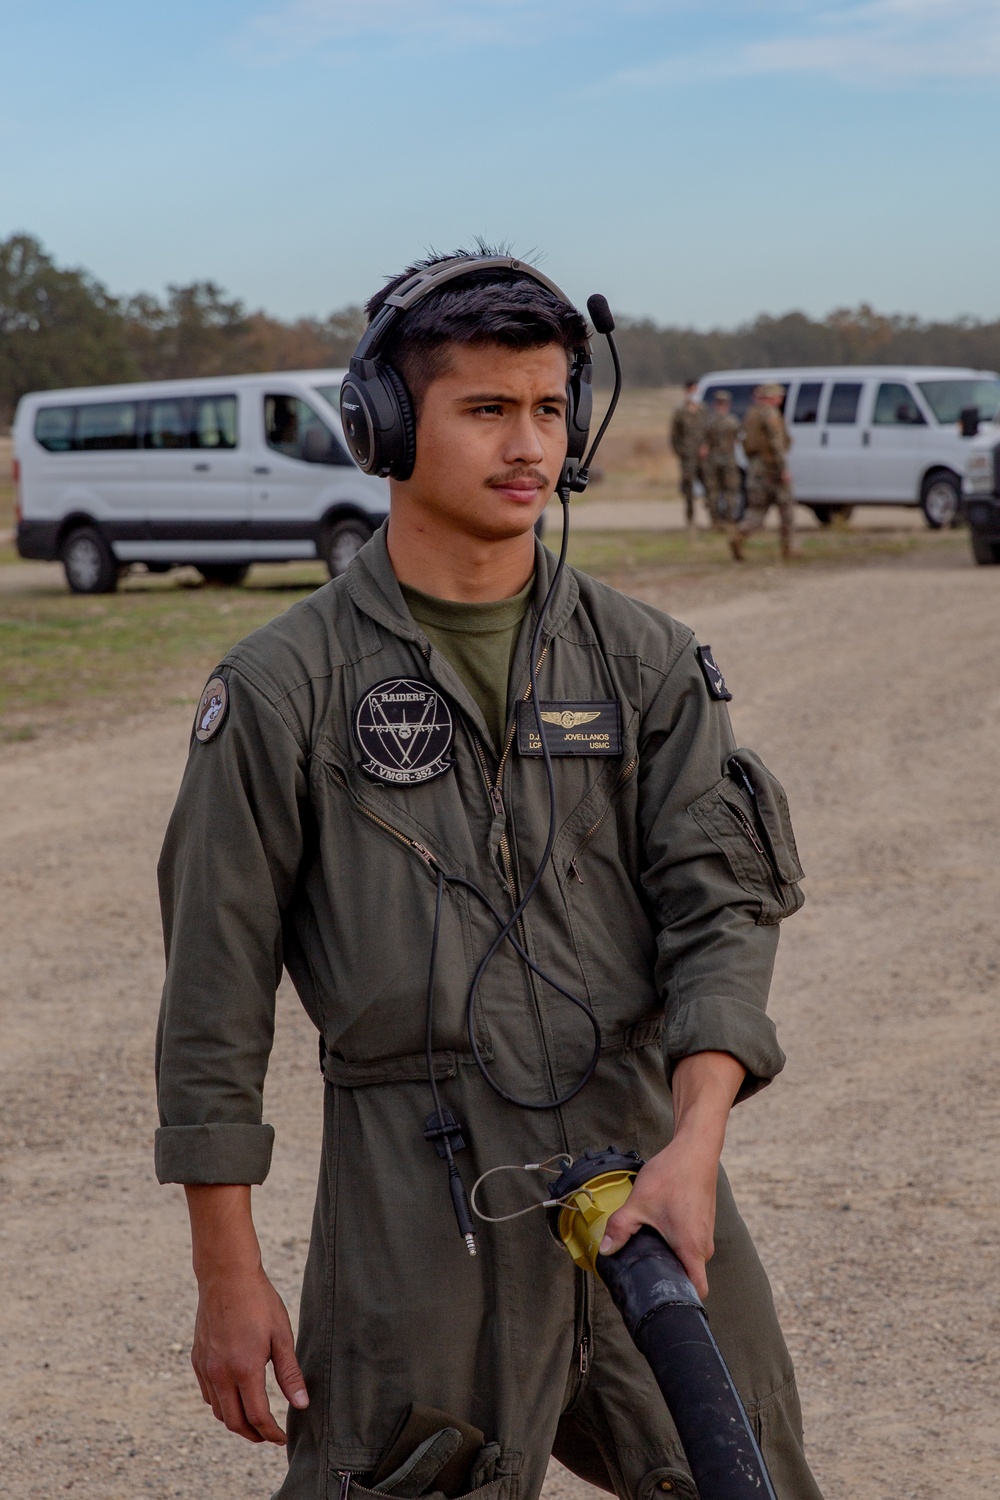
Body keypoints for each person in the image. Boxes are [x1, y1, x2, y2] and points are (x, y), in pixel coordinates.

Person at [154, 252, 825, 1500]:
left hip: (646, 1163)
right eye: (485, 409)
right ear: (386, 426)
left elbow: (718, 910)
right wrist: (225, 1274)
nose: (529, 445)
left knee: (749, 1476)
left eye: (550, 408)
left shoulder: (648, 663)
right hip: (418, 1197)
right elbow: (214, 1000)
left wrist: (695, 1140)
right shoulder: (278, 693)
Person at [731, 384, 796, 561]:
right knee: (786, 508)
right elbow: (775, 444)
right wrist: (783, 469)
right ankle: (788, 549)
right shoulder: (770, 414)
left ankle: (740, 534)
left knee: (756, 511)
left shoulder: (752, 414)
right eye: (778, 396)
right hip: (772, 468)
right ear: (771, 396)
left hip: (755, 469)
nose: (780, 399)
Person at [699, 389, 742, 529]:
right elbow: (738, 439)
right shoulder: (733, 421)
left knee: (713, 492)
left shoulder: (709, 422)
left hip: (712, 460)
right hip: (728, 459)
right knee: (730, 490)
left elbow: (703, 444)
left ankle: (715, 521)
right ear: (727, 404)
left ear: (715, 404)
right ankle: (729, 520)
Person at [668, 379, 706, 536]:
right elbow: (674, 436)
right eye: (692, 390)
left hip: (703, 457)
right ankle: (691, 520)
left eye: (696, 390)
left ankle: (716, 519)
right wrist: (681, 452)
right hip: (688, 457)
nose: (694, 393)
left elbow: (710, 430)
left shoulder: (703, 410)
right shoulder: (680, 411)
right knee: (689, 489)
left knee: (711, 486)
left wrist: (707, 447)